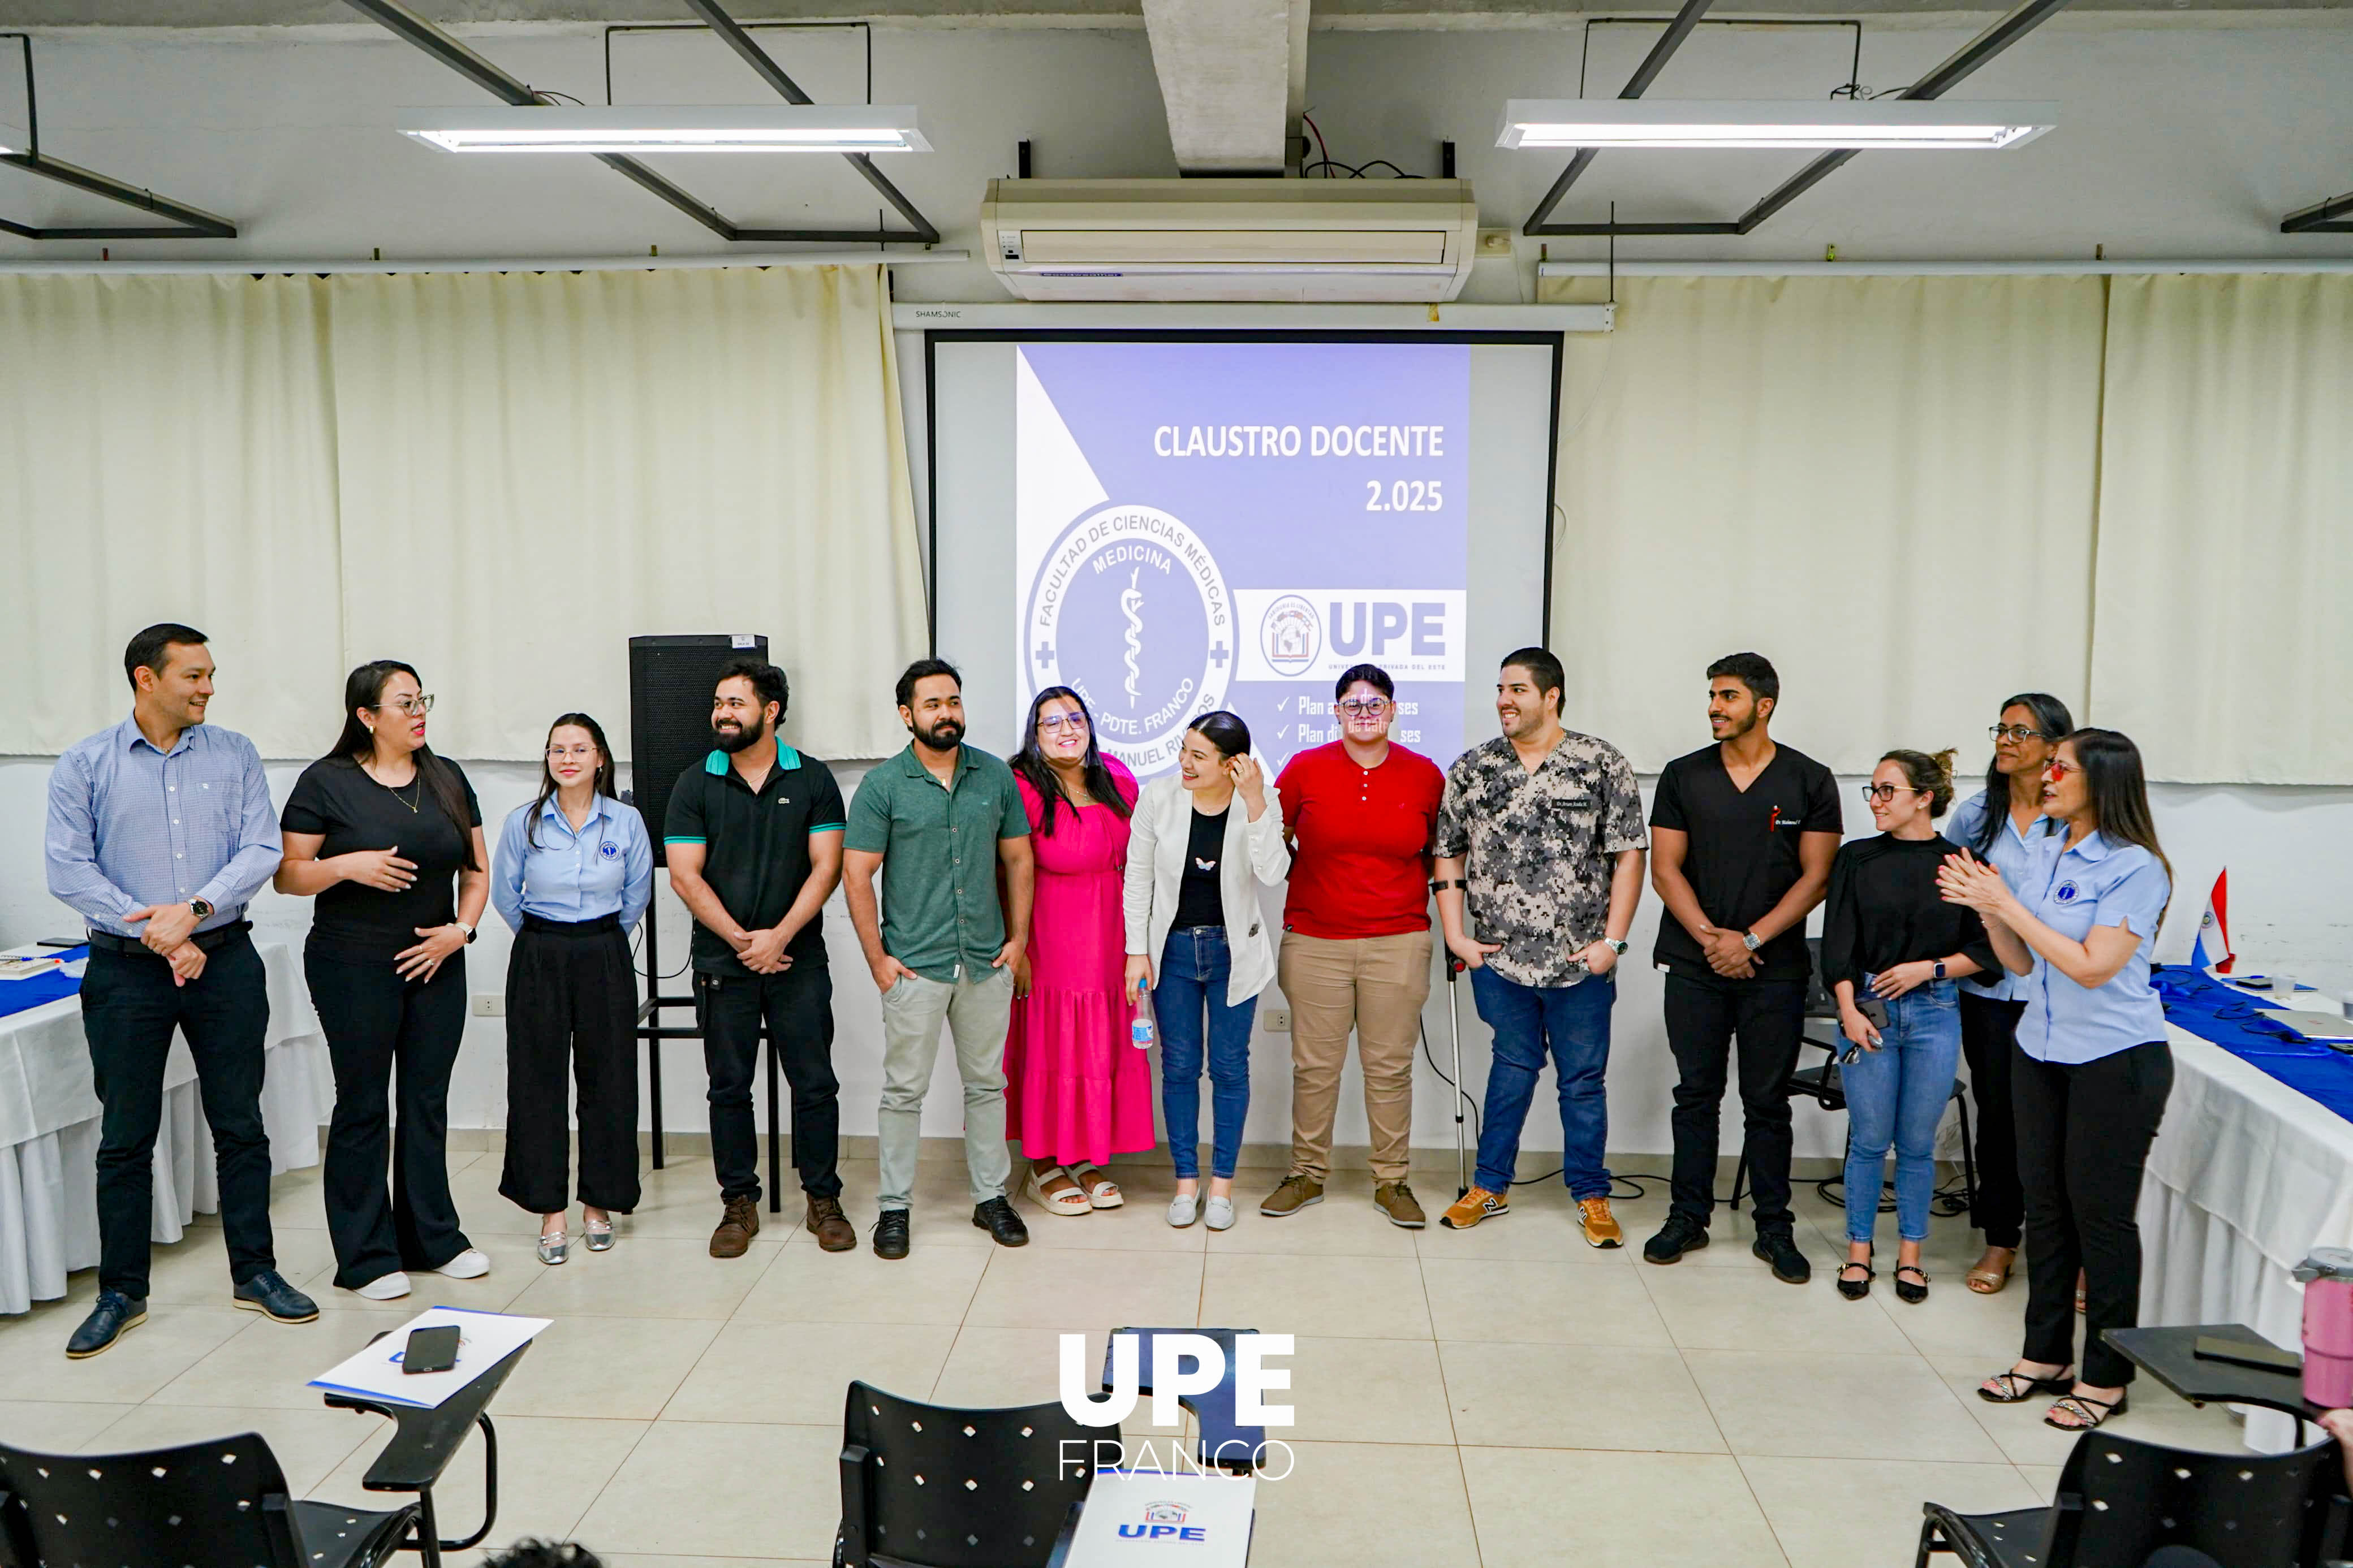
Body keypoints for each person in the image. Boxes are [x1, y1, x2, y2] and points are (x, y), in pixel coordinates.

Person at [43, 624, 317, 1359]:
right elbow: (69, 869)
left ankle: (255, 1273)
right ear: (146, 678)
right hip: (125, 970)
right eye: (194, 675)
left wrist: (189, 914)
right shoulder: (86, 764)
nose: (207, 687)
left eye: (210, 674)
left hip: (224, 961)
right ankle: (121, 1293)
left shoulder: (233, 754)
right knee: (126, 1137)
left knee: (241, 1124)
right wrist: (157, 931)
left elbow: (261, 847)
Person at [1941, 728, 2175, 1433]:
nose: (2046, 777)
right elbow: (2018, 962)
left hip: (2114, 1060)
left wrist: (2005, 903)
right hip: (2038, 1050)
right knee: (2044, 1208)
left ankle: (2106, 1377)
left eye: (2060, 768)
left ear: (2101, 781)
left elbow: (2091, 965)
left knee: (2098, 1219)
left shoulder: (2136, 867)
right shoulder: (2046, 847)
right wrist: (1984, 905)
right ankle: (2043, 1356)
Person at [277, 661, 490, 1301]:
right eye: (404, 702)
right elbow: (289, 873)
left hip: (436, 960)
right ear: (367, 717)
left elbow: (476, 871)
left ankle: (432, 1238)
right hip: (352, 963)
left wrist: (461, 931)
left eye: (422, 698)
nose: (419, 711)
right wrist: (347, 865)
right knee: (364, 1103)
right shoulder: (326, 782)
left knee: (426, 1100)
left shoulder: (446, 777)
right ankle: (366, 1255)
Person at [1432, 648, 1647, 1247]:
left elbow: (1628, 853)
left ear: (1551, 696)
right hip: (1500, 959)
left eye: (1517, 689)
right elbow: (1446, 850)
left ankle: (1591, 1194)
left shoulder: (1598, 762)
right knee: (1510, 1069)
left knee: (1581, 1081)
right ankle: (1489, 1185)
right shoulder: (1474, 769)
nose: (1503, 699)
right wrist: (1455, 934)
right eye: (1500, 688)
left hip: (1580, 960)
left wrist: (1613, 940)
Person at [1644, 652, 1842, 1284]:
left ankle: (1773, 1227)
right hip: (1694, 961)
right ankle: (1686, 1216)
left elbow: (1817, 879)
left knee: (1766, 1101)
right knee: (1694, 1094)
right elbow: (1663, 868)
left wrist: (1751, 938)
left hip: (1775, 968)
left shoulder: (1808, 779)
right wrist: (1712, 939)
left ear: (1763, 704)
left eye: (1726, 696)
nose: (1713, 707)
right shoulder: (1683, 775)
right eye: (1710, 696)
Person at [843, 659, 1036, 1259]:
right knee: (903, 1090)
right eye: (931, 704)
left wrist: (1017, 942)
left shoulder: (994, 777)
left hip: (984, 961)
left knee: (986, 1085)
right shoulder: (883, 786)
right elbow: (856, 875)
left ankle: (989, 1196)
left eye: (952, 700)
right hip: (915, 965)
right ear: (907, 715)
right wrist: (877, 960)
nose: (945, 712)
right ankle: (894, 1208)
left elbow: (1019, 862)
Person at [663, 659, 854, 1257]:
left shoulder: (814, 778)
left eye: (735, 703)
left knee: (815, 1084)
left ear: (771, 711)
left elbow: (827, 867)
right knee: (728, 1087)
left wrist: (779, 937)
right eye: (718, 703)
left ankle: (822, 1198)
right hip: (723, 965)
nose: (722, 713)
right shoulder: (693, 783)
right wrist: (746, 941)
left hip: (799, 962)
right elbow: (684, 877)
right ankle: (737, 1203)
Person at [1264, 664, 1443, 1228]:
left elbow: (1440, 855)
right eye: (1352, 704)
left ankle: (1391, 1181)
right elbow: (1272, 844)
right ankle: (1306, 1174)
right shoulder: (1303, 770)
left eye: (1374, 703)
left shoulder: (1424, 775)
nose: (1364, 713)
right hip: (1315, 939)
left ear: (1391, 711)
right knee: (1314, 1067)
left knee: (1388, 1068)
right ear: (1335, 711)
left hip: (1398, 940)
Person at [1821, 749, 1996, 1305]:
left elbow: (1988, 950)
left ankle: (1911, 1256)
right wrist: (1847, 1010)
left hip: (1934, 1010)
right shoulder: (1855, 858)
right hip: (1867, 1005)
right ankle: (1857, 1250)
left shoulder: (1960, 863)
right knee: (1869, 1140)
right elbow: (1837, 944)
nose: (1874, 800)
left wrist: (1930, 968)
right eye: (1870, 789)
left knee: (1916, 1143)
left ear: (1923, 798)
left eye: (1885, 790)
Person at [490, 712, 653, 1265]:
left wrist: (596, 938)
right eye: (557, 749)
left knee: (608, 1078)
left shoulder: (626, 821)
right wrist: (547, 939)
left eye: (579, 749)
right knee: (538, 1079)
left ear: (600, 758)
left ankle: (598, 1205)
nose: (567, 758)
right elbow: (505, 893)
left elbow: (637, 893)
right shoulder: (525, 821)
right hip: (539, 951)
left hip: (604, 951)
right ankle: (550, 1212)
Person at [1124, 712, 1288, 1231]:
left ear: (1232, 764)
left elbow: (1273, 872)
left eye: (1199, 755)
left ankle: (1221, 1186)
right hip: (1170, 951)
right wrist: (1135, 951)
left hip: (1233, 954)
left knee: (1229, 1068)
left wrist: (1258, 802)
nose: (1185, 763)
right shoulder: (1159, 798)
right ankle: (1185, 1182)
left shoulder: (1260, 800)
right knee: (1178, 1067)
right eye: (1184, 750)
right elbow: (1138, 879)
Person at [1942, 693, 2073, 1297]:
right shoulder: (1974, 816)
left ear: (2052, 747)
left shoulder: (2073, 815)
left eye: (2020, 732)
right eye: (2000, 729)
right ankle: (2000, 1239)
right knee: (1999, 1121)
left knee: (2062, 1126)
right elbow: (1947, 896)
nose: (2004, 740)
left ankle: (2071, 1254)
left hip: (2060, 990)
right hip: (1989, 992)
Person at [1003, 686, 1148, 1217]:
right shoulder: (1020, 787)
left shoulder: (1117, 778)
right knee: (1050, 1045)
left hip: (1112, 939)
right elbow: (1005, 869)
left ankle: (1084, 1158)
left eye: (1076, 718)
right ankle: (1043, 1162)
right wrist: (1016, 946)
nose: (1067, 729)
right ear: (1034, 735)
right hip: (1050, 939)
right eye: (1052, 722)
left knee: (1098, 1047)